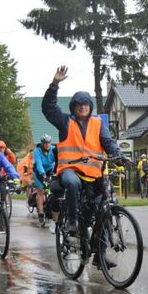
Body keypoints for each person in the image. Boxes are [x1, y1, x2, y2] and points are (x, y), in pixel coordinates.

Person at [42, 65, 124, 270]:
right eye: (79, 104)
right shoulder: (65, 122)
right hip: (70, 170)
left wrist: (117, 154)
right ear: (73, 107)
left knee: (104, 206)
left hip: (94, 173)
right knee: (72, 183)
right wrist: (54, 85)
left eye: (86, 104)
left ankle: (101, 254)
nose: (83, 107)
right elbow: (48, 108)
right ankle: (71, 222)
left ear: (90, 107)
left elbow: (108, 142)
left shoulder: (98, 124)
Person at [33, 134, 56, 224]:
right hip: (39, 172)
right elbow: (38, 163)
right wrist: (42, 174)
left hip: (50, 170)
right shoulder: (37, 151)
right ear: (42, 143)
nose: (47, 145)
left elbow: (57, 160)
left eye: (48, 143)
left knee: (52, 189)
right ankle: (41, 212)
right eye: (45, 143)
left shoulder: (53, 149)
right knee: (41, 190)